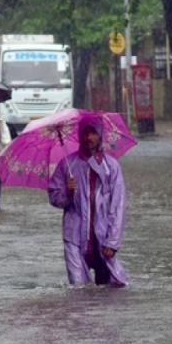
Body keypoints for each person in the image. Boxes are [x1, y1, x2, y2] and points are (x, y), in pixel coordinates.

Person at [47, 118, 127, 287]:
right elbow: (54, 198)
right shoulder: (67, 165)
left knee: (112, 289)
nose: (89, 137)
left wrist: (112, 242)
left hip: (102, 238)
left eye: (93, 133)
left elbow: (117, 206)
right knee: (78, 291)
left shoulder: (111, 167)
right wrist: (67, 192)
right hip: (74, 237)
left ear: (100, 136)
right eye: (85, 133)